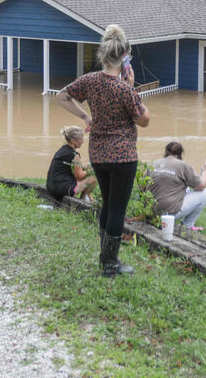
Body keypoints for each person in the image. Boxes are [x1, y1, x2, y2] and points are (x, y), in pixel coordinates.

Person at [56, 24, 150, 278]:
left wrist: (86, 116)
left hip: (98, 154)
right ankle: (109, 264)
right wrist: (132, 87)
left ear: (103, 54)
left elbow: (62, 96)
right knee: (117, 208)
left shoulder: (90, 80)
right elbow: (144, 120)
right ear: (124, 57)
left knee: (108, 204)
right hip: (123, 156)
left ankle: (106, 258)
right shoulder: (124, 89)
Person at [148, 142, 206, 231]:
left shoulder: (154, 163)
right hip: (168, 213)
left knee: (186, 188)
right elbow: (201, 186)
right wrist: (204, 172)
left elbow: (143, 187)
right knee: (204, 193)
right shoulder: (183, 165)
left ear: (165, 151)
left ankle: (152, 216)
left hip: (150, 211)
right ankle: (187, 226)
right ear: (181, 154)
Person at [46, 126, 97, 202]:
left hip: (51, 188)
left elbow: (70, 167)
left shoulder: (62, 150)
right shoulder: (74, 155)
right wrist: (91, 170)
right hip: (63, 189)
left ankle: (89, 198)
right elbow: (79, 176)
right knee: (94, 177)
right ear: (73, 141)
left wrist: (88, 166)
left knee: (87, 168)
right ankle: (84, 200)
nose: (83, 141)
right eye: (81, 139)